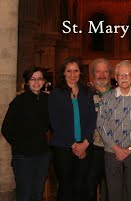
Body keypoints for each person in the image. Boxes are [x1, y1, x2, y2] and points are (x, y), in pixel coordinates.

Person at [97, 60, 131, 201]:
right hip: (111, 151)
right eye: (121, 75)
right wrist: (116, 148)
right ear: (116, 77)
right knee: (114, 192)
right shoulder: (106, 98)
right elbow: (101, 126)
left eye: (127, 74)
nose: (124, 77)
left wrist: (129, 148)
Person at [48, 56, 97, 201]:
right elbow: (55, 123)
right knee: (66, 188)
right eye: (69, 71)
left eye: (75, 71)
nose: (72, 74)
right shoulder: (56, 94)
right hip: (63, 147)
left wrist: (85, 144)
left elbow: (92, 120)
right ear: (63, 73)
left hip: (86, 145)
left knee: (82, 187)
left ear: (80, 73)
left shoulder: (88, 92)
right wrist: (75, 145)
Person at [2, 67, 50, 201]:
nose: (36, 82)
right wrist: (20, 145)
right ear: (27, 82)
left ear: (44, 81)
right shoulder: (19, 101)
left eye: (39, 79)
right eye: (32, 79)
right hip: (23, 156)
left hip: (42, 155)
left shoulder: (47, 100)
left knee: (37, 194)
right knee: (25, 195)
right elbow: (6, 128)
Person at [87, 58, 113, 201]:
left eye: (105, 71)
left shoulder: (117, 94)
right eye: (98, 71)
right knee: (90, 185)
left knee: (110, 187)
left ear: (110, 74)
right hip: (92, 147)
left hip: (112, 148)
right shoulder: (85, 94)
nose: (102, 75)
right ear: (93, 74)